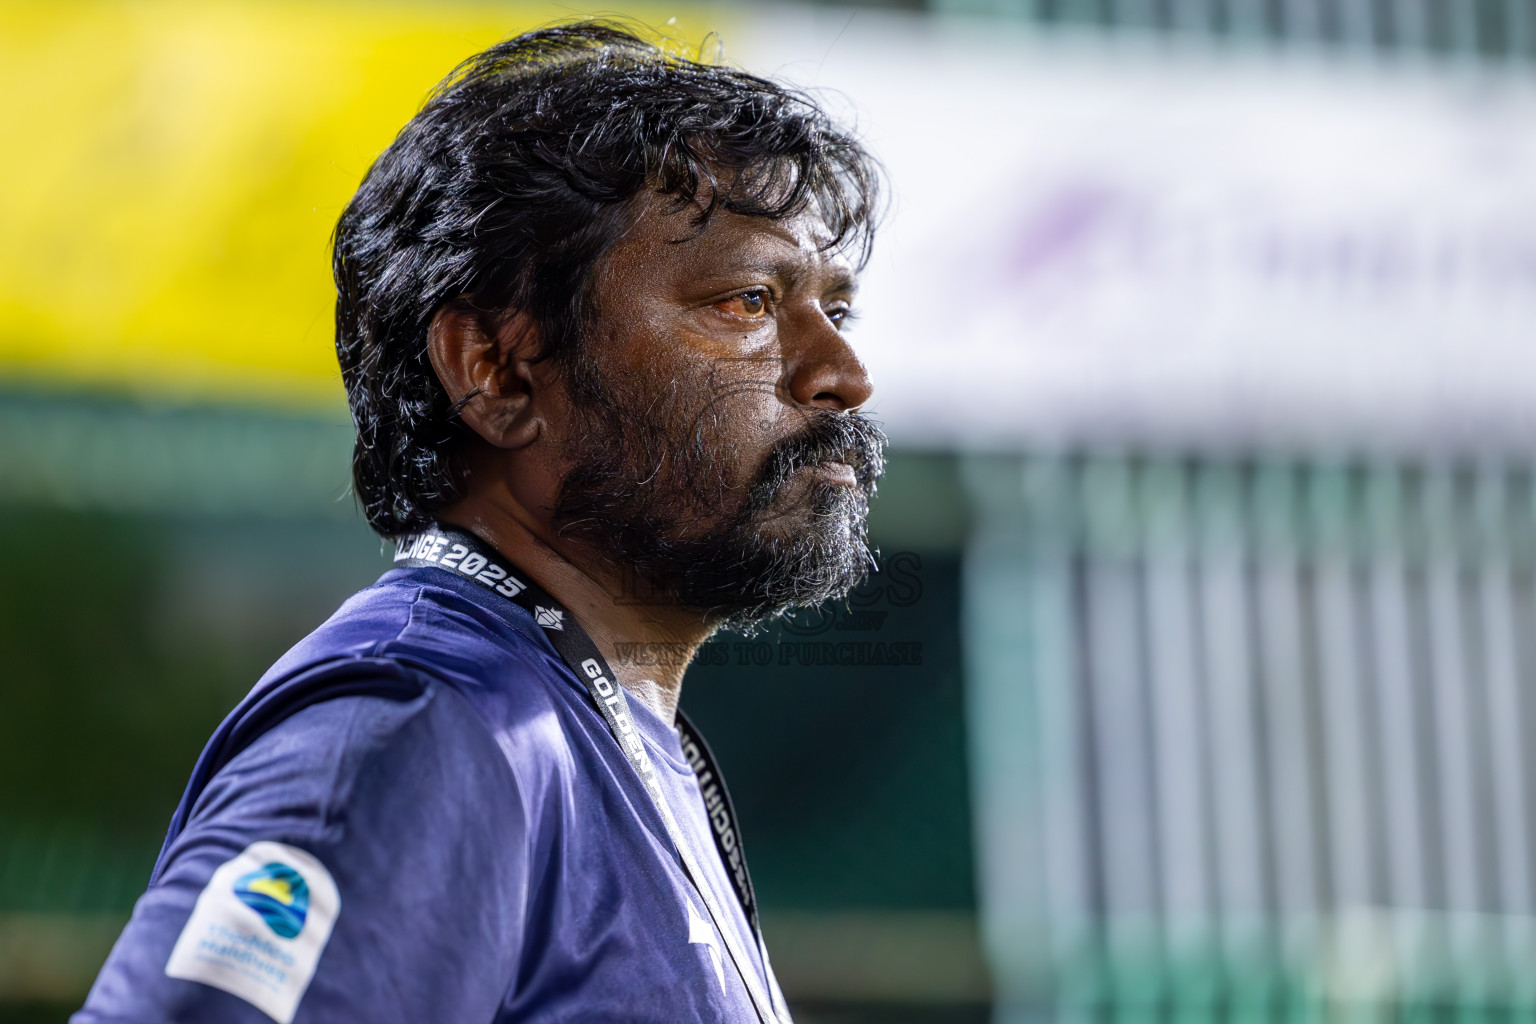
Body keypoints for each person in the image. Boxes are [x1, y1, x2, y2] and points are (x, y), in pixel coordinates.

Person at [74, 20, 884, 1024]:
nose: (843, 375)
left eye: (836, 311)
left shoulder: (582, 724)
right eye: (748, 301)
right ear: (496, 373)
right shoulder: (419, 726)